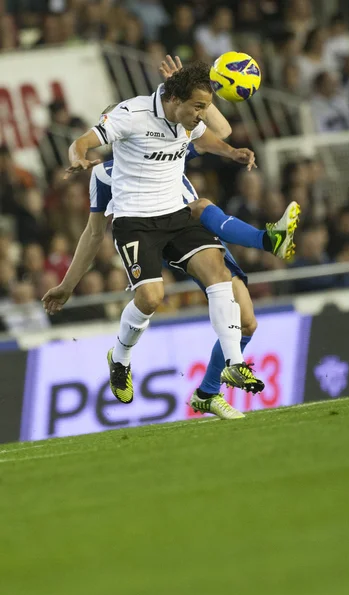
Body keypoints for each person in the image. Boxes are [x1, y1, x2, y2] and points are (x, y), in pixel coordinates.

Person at [43, 58, 299, 419]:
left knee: (221, 278)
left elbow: (214, 134)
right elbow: (92, 222)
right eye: (198, 106)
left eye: (203, 107)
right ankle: (120, 357)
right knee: (151, 298)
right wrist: (79, 156)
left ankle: (234, 364)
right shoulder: (124, 130)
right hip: (137, 224)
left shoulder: (185, 121)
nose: (201, 114)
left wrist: (232, 152)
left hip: (178, 217)